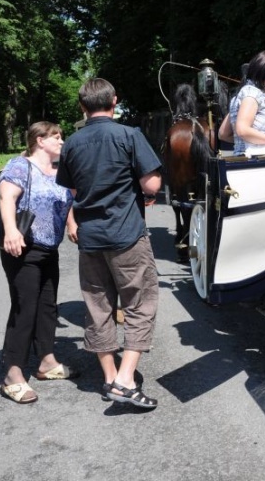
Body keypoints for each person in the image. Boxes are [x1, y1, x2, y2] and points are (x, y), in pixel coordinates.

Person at [56, 78, 163, 409]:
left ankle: (109, 377)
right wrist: (142, 190)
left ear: (82, 106)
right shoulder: (129, 135)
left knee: (97, 308)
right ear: (114, 101)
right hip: (126, 234)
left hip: (90, 238)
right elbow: (152, 184)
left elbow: (73, 192)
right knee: (140, 303)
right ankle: (126, 379)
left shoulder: (71, 143)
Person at [0, 122, 76, 404]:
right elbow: (7, 197)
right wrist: (10, 230)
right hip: (23, 248)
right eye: (57, 137)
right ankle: (13, 373)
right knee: (25, 307)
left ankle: (46, 362)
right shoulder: (21, 166)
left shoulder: (59, 171)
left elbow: (66, 201)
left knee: (47, 306)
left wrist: (71, 223)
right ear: (40, 140)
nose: (62, 142)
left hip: (49, 249)